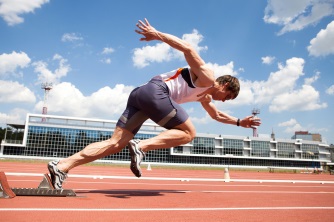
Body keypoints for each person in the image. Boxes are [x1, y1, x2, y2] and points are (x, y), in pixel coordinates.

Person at [47, 18, 261, 189]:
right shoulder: (208, 77)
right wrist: (156, 34)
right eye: (228, 97)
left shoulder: (204, 96)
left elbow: (216, 116)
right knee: (189, 133)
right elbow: (188, 48)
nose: (224, 101)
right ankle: (141, 146)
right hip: (156, 91)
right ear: (225, 86)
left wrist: (239, 122)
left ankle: (62, 166)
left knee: (115, 143)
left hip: (140, 96)